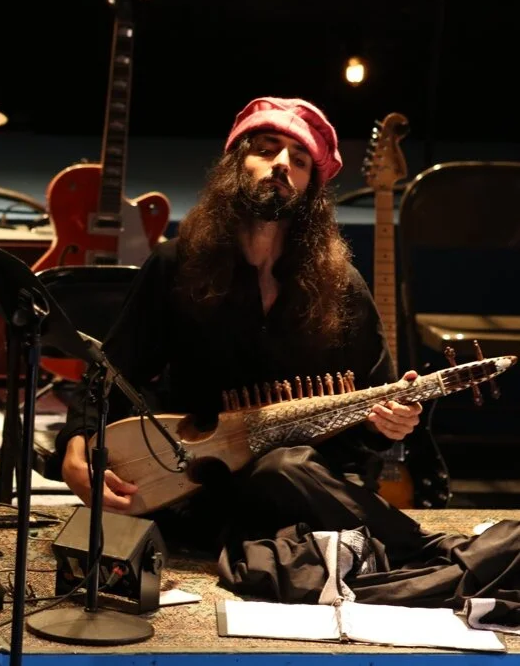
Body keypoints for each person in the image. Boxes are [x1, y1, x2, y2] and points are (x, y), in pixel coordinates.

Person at [53, 97, 520, 612]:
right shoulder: (178, 266)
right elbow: (112, 373)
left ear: (311, 188)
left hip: (306, 491)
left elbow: (373, 410)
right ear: (237, 163)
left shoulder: (340, 286)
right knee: (279, 472)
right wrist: (76, 442)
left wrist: (391, 423)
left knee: (283, 467)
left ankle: (429, 556)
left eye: (299, 160)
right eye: (267, 149)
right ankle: (448, 557)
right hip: (196, 492)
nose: (281, 164)